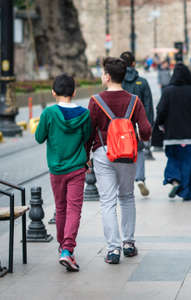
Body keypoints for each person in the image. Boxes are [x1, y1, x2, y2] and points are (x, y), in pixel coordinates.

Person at [87, 57, 152, 264]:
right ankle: (129, 243)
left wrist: (86, 155)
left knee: (107, 201)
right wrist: (140, 138)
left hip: (103, 152)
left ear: (107, 76)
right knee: (127, 197)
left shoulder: (96, 101)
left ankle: (113, 250)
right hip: (127, 154)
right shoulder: (134, 100)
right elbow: (146, 130)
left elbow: (88, 131)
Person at [35, 74, 92, 272]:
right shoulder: (84, 114)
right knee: (74, 209)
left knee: (60, 208)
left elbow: (39, 137)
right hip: (77, 168)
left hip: (56, 169)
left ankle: (63, 247)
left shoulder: (48, 114)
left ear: (53, 92)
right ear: (74, 92)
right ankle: (67, 250)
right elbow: (87, 137)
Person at [155, 63, 191, 200]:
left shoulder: (167, 91)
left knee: (174, 159)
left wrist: (161, 125)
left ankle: (175, 179)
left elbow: (160, 111)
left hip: (173, 135)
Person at [120, 51, 154, 197]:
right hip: (136, 124)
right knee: (139, 150)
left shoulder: (118, 83)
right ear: (134, 64)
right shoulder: (143, 82)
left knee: (120, 152)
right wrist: (147, 126)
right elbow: (148, 106)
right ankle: (140, 178)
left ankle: (124, 182)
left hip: (119, 124)